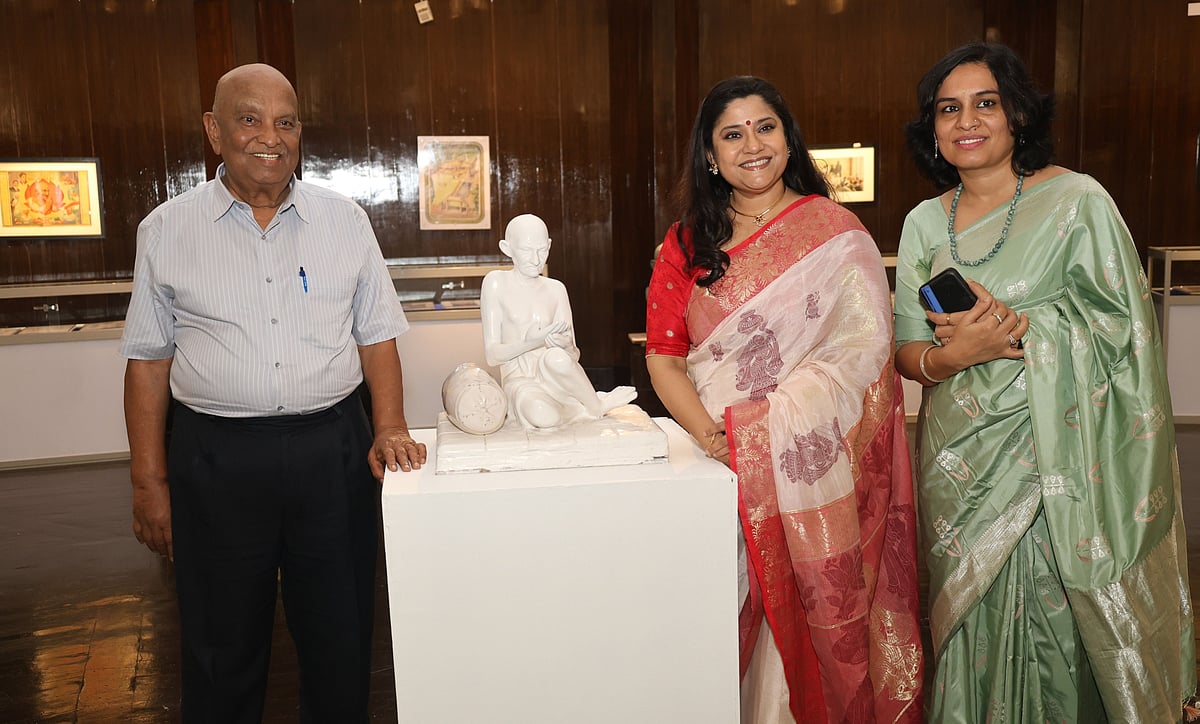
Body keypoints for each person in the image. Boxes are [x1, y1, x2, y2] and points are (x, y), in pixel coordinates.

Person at [894, 42, 1198, 722]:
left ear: (1019, 115)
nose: (966, 121)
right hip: (962, 464)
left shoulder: (1077, 201)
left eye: (985, 103)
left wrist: (1025, 329)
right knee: (973, 616)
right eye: (948, 109)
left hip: (1064, 456)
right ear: (932, 129)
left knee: (1058, 614)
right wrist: (956, 355)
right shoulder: (923, 222)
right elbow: (908, 351)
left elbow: (1124, 329)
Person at [120, 63, 427, 723]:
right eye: (250, 119)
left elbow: (378, 338)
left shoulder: (344, 222)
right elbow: (147, 361)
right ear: (214, 131)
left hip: (332, 453)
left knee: (341, 636)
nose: (270, 136)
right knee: (220, 644)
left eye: (285, 122)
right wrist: (149, 482)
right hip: (215, 459)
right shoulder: (167, 230)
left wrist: (389, 426)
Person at [645, 75, 923, 723]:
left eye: (765, 127)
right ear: (710, 154)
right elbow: (664, 357)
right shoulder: (684, 244)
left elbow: (865, 354)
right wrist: (719, 439)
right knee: (722, 616)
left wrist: (774, 427)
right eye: (732, 134)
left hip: (816, 471)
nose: (752, 145)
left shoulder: (836, 233)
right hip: (720, 463)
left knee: (806, 618)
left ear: (789, 139)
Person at [480, 213, 635, 429]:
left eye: (542, 250)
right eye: (526, 250)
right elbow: (492, 355)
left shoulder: (556, 289)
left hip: (556, 377)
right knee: (544, 417)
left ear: (550, 245)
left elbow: (573, 355)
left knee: (556, 357)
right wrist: (535, 341)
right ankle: (580, 408)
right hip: (522, 381)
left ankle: (595, 405)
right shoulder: (496, 283)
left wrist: (564, 345)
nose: (536, 259)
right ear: (507, 248)